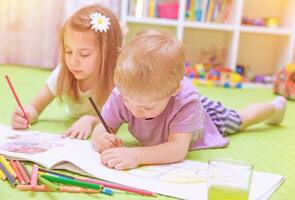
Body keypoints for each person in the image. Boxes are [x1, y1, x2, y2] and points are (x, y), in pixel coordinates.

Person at [92, 30, 287, 170]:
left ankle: (275, 107)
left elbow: (177, 149)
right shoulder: (124, 92)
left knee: (241, 119)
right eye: (128, 100)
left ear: (173, 92)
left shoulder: (186, 101)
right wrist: (102, 138)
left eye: (146, 107)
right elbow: (102, 126)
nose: (134, 110)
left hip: (206, 116)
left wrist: (136, 155)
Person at [11, 4, 123, 139]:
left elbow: (116, 121)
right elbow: (36, 106)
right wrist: (25, 115)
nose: (73, 61)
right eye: (68, 51)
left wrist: (90, 120)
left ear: (107, 54)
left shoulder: (117, 81)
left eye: (85, 54)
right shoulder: (63, 73)